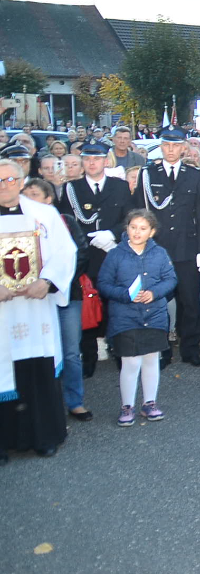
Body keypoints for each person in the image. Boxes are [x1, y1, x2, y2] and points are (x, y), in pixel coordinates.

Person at [133, 126, 200, 367]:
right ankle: (161, 350)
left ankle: (190, 349)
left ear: (184, 147)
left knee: (190, 302)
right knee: (157, 303)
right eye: (166, 145)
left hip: (187, 248)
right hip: (157, 249)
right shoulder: (148, 173)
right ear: (160, 146)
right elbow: (139, 213)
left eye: (176, 145)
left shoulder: (194, 174)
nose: (171, 150)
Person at [57, 140, 131, 376]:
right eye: (87, 159)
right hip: (85, 258)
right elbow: (65, 223)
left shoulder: (119, 186)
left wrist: (113, 234)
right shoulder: (72, 188)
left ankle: (119, 352)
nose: (92, 163)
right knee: (86, 309)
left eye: (97, 159)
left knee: (116, 308)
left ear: (105, 161)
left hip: (112, 254)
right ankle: (88, 358)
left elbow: (130, 217)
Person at [98, 209, 176, 427]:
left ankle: (149, 403)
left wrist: (154, 293)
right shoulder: (115, 254)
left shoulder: (159, 253)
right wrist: (125, 295)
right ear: (127, 228)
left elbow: (170, 279)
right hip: (125, 315)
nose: (137, 232)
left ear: (151, 232)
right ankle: (127, 405)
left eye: (143, 228)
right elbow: (103, 283)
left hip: (154, 315)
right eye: (133, 227)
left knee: (151, 359)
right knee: (130, 362)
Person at [24, 179, 91, 422]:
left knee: (71, 351)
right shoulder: (17, 224)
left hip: (65, 295)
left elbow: (80, 255)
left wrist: (52, 280)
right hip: (31, 300)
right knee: (40, 353)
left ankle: (75, 401)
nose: (28, 199)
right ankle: (43, 404)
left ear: (48, 199)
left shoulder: (64, 221)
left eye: (34, 194)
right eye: (26, 194)